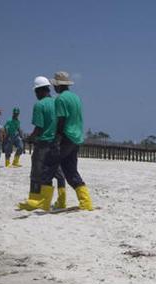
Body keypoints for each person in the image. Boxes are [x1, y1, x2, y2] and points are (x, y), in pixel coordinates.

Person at [50, 70, 93, 210]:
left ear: (58, 86)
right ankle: (86, 202)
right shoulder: (76, 98)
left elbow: (61, 120)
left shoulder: (60, 99)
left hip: (66, 137)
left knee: (51, 166)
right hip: (76, 138)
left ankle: (49, 200)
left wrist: (56, 138)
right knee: (71, 171)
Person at [16, 76, 59, 211]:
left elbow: (39, 128)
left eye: (36, 92)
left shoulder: (39, 105)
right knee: (51, 173)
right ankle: (47, 202)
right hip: (56, 143)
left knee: (36, 173)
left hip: (43, 143)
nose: (35, 95)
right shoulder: (56, 103)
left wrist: (29, 138)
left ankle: (34, 200)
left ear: (40, 91)